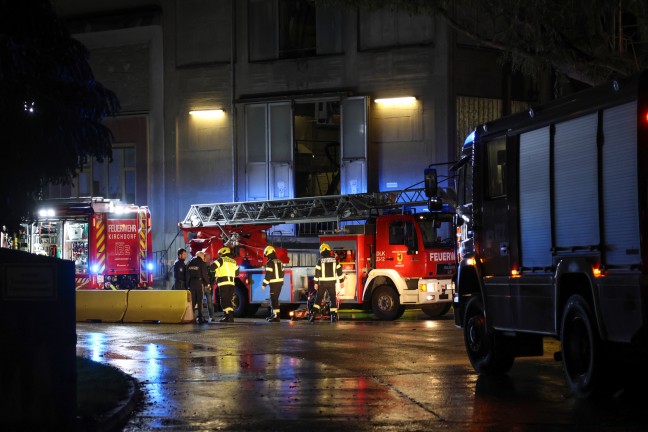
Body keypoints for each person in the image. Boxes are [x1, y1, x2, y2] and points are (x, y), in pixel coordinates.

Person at [310, 243, 344, 323]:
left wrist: (315, 283)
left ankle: (314, 314)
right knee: (332, 298)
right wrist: (341, 281)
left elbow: (317, 272)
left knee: (318, 298)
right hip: (332, 283)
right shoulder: (334, 259)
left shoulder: (320, 260)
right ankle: (333, 316)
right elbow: (339, 271)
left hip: (322, 283)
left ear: (321, 251)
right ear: (329, 251)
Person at [214, 246, 239, 322]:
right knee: (229, 300)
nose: (220, 255)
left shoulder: (221, 260)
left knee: (224, 300)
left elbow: (212, 267)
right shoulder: (233, 261)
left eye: (220, 254)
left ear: (223, 252)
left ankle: (227, 316)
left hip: (223, 283)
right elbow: (237, 273)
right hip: (231, 283)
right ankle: (230, 316)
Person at [261, 245, 284, 323]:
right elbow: (283, 272)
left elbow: (268, 274)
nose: (267, 256)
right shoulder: (280, 261)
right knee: (275, 299)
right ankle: (274, 314)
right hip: (280, 283)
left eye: (267, 254)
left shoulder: (270, 262)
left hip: (274, 284)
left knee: (274, 300)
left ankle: (276, 317)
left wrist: (264, 284)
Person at [187, 251, 210, 324]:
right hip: (199, 283)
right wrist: (207, 283)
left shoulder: (190, 263)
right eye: (203, 256)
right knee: (200, 300)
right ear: (201, 256)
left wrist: (188, 284)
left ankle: (192, 317)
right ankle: (200, 317)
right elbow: (204, 274)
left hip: (191, 283)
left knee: (192, 301)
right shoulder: (202, 263)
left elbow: (187, 275)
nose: (204, 257)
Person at [203, 252, 216, 322]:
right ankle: (211, 316)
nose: (208, 260)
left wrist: (211, 284)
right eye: (207, 258)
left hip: (207, 286)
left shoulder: (208, 267)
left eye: (209, 258)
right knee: (209, 302)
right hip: (206, 286)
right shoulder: (208, 267)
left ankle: (211, 316)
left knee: (209, 302)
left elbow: (213, 277)